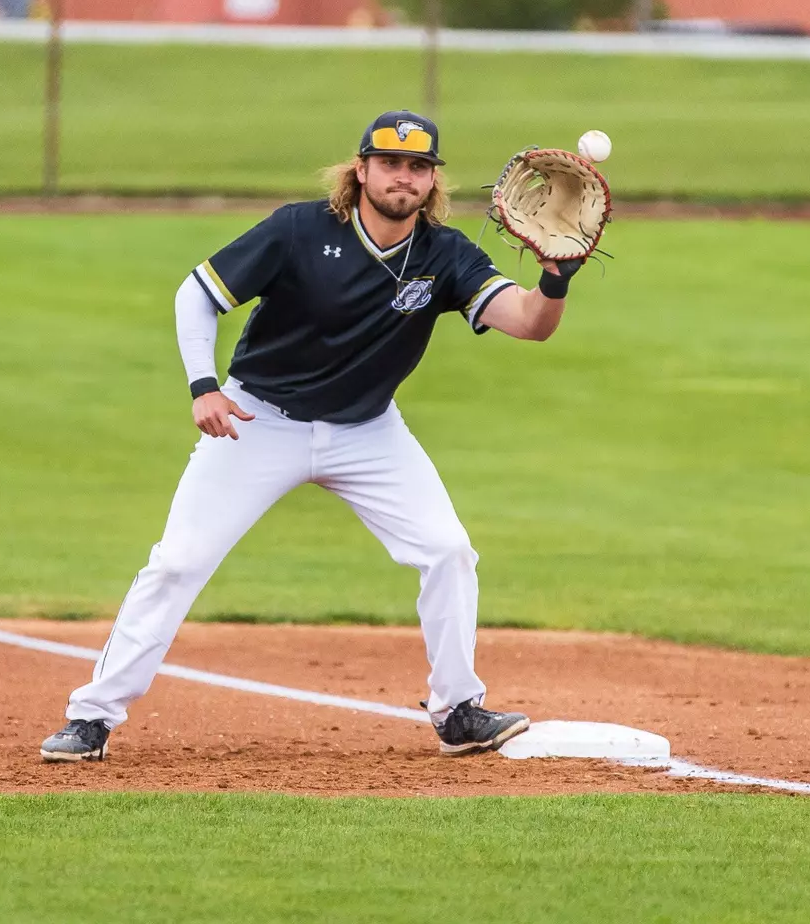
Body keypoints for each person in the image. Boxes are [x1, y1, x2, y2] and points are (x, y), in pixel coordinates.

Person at [39, 111, 580, 762]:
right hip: (259, 420)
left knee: (448, 551)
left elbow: (528, 322)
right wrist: (202, 385)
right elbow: (197, 293)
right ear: (361, 170)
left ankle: (457, 711)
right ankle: (91, 718)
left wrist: (555, 278)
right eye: (389, 163)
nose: (402, 177)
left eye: (417, 167)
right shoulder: (299, 230)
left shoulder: (446, 253)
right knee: (178, 561)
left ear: (433, 180)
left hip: (368, 431)